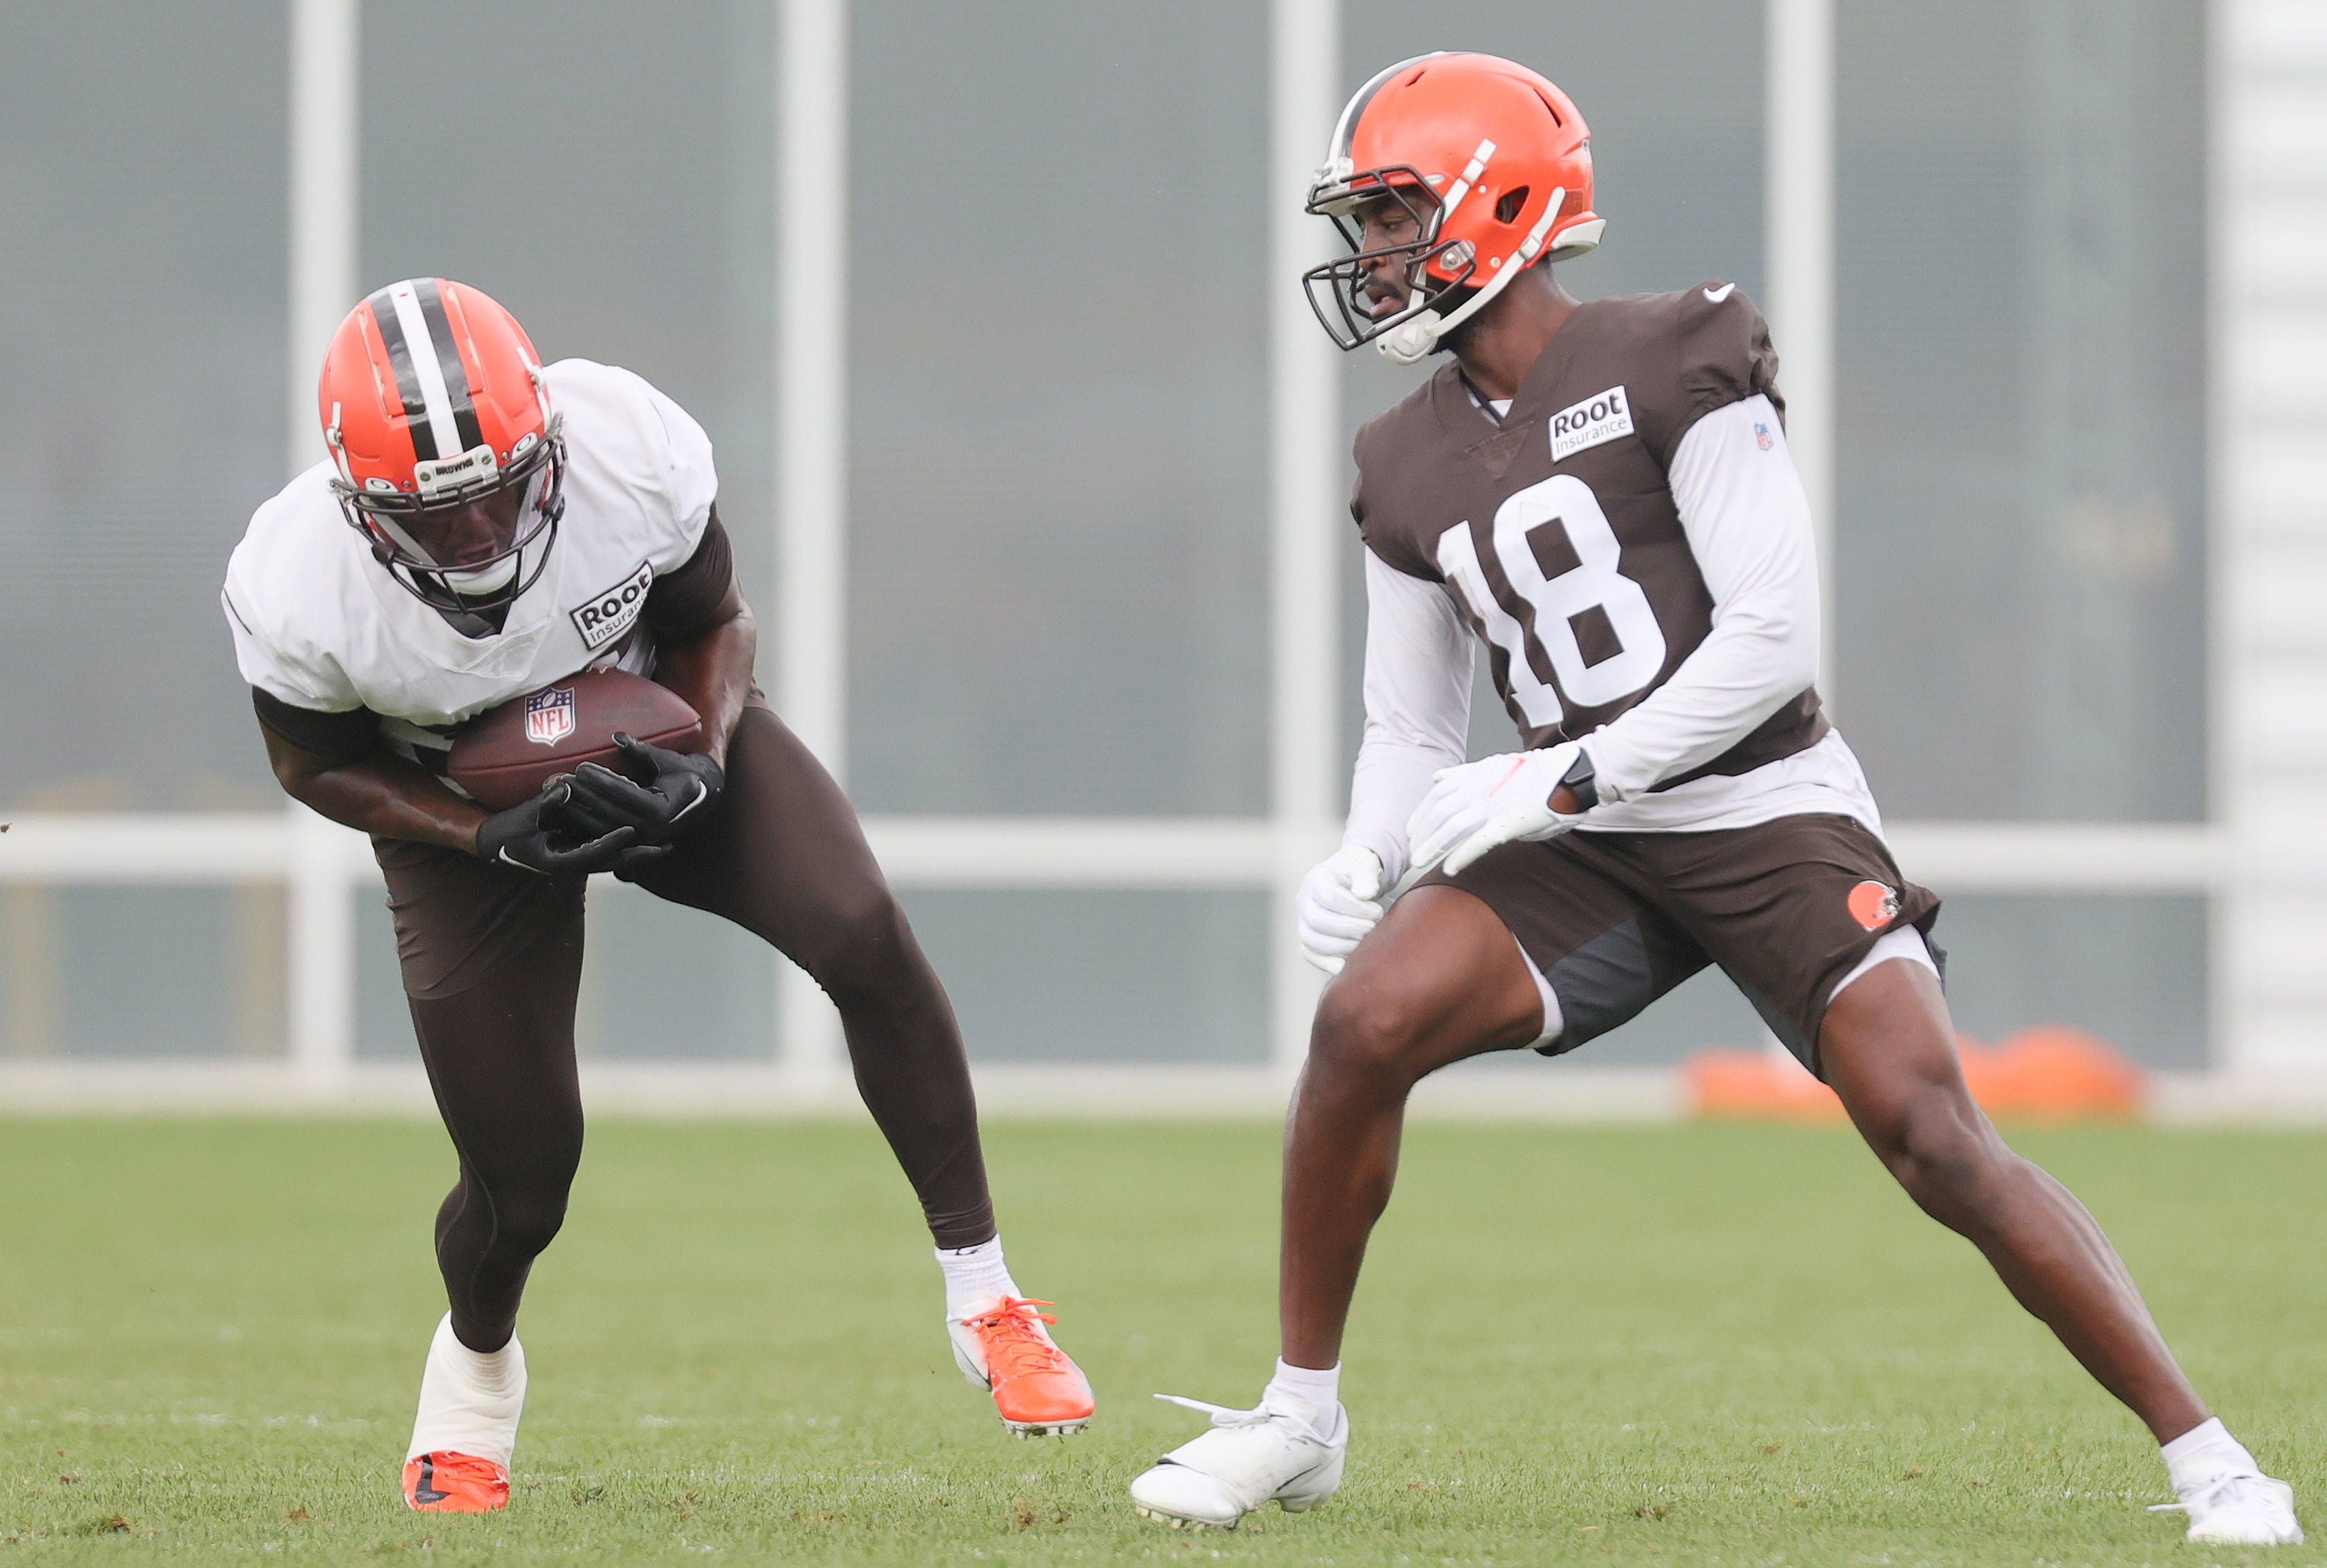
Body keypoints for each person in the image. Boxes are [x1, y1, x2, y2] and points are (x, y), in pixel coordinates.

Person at [1127, 54, 2298, 1547]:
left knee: (1931, 1131)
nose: (1371, 256)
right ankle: (1297, 1416)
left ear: (1501, 202)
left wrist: (1566, 768)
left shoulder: (1671, 351)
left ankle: (2208, 1454)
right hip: (1586, 840)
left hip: (1760, 807)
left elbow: (1768, 640)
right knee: (1361, 1019)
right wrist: (1362, 851)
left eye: (1394, 214)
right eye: (1361, 223)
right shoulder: (1399, 459)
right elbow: (1408, 719)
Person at [222, 278, 1093, 1514]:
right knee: (523, 1174)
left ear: (549, 448)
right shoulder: (296, 580)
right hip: (463, 818)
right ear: (358, 508)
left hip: (655, 740)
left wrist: (705, 759)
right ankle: (473, 1376)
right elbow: (313, 765)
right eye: (435, 515)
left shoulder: (628, 446)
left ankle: (987, 1293)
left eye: (496, 495)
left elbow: (718, 621)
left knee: (864, 936)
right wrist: (484, 835)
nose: (475, 536)